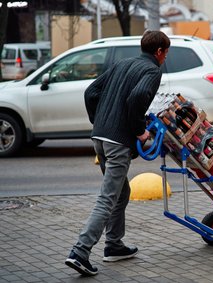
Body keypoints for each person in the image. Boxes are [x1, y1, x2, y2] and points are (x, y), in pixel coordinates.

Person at [65, 30, 170, 276]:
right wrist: (140, 132)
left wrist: (100, 121)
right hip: (117, 142)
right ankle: (80, 251)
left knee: (122, 192)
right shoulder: (152, 71)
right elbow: (137, 97)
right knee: (107, 198)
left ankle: (113, 245)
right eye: (166, 52)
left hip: (99, 137)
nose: (165, 57)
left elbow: (91, 92)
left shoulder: (123, 63)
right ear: (159, 52)